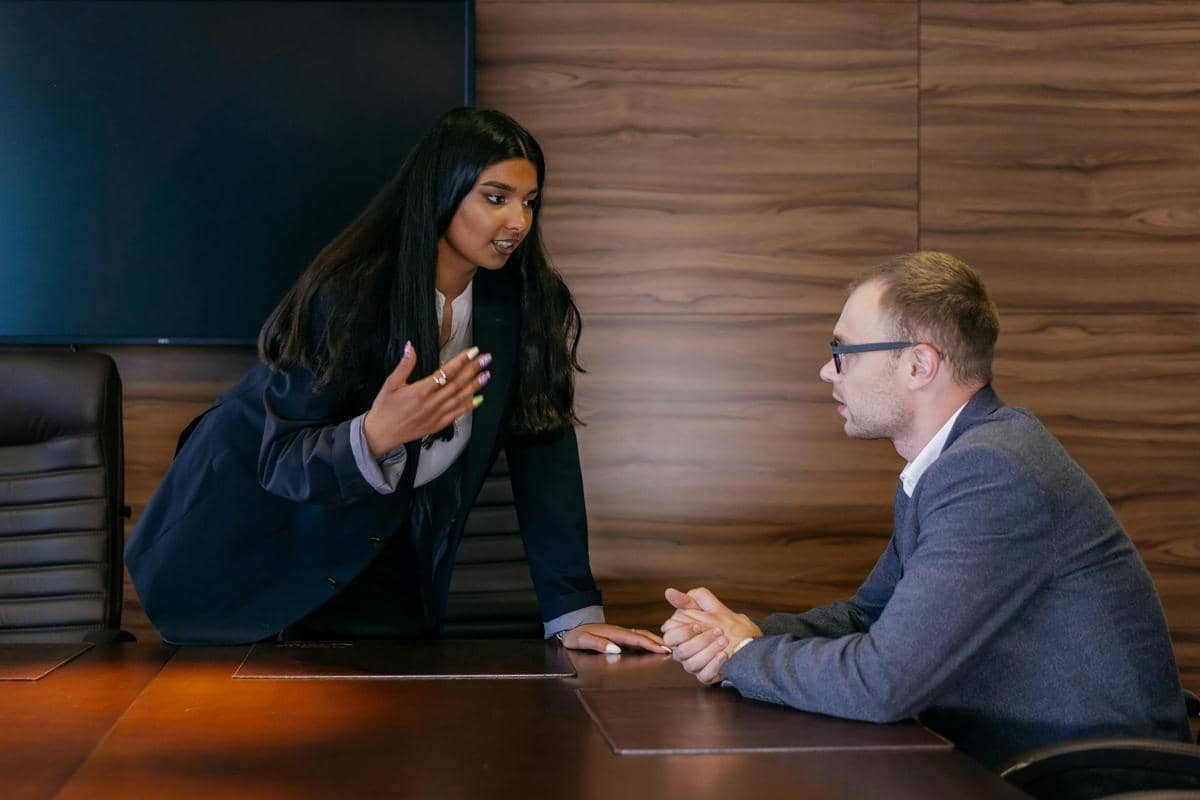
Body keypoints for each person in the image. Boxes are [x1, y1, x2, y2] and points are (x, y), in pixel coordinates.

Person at [126, 107, 667, 656]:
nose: (518, 223)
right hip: (248, 540)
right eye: (496, 197)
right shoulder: (346, 294)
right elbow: (281, 457)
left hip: (378, 542)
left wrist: (571, 614)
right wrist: (374, 434)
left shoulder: (526, 303)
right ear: (441, 193)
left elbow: (545, 459)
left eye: (530, 202)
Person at [660, 252, 1192, 766]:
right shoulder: (955, 463)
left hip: (1084, 783)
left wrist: (740, 656)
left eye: (844, 351)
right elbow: (865, 617)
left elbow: (883, 682)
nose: (828, 371)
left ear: (918, 364)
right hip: (1012, 767)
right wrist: (744, 631)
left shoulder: (992, 472)